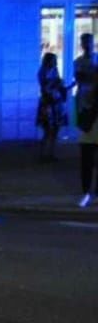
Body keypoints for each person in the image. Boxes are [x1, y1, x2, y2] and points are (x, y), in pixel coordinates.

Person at [75, 32, 98, 207]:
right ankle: (86, 192)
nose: (87, 45)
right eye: (85, 42)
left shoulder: (95, 59)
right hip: (86, 112)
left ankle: (95, 192)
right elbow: (80, 78)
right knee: (86, 158)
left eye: (89, 42)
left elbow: (84, 77)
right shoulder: (78, 62)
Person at [35, 52, 68, 162]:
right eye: (54, 60)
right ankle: (43, 154)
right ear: (48, 60)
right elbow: (45, 87)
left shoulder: (54, 70)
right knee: (48, 130)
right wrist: (57, 84)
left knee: (54, 130)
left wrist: (60, 86)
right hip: (48, 103)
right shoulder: (43, 72)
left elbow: (56, 85)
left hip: (55, 102)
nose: (55, 62)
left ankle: (49, 154)